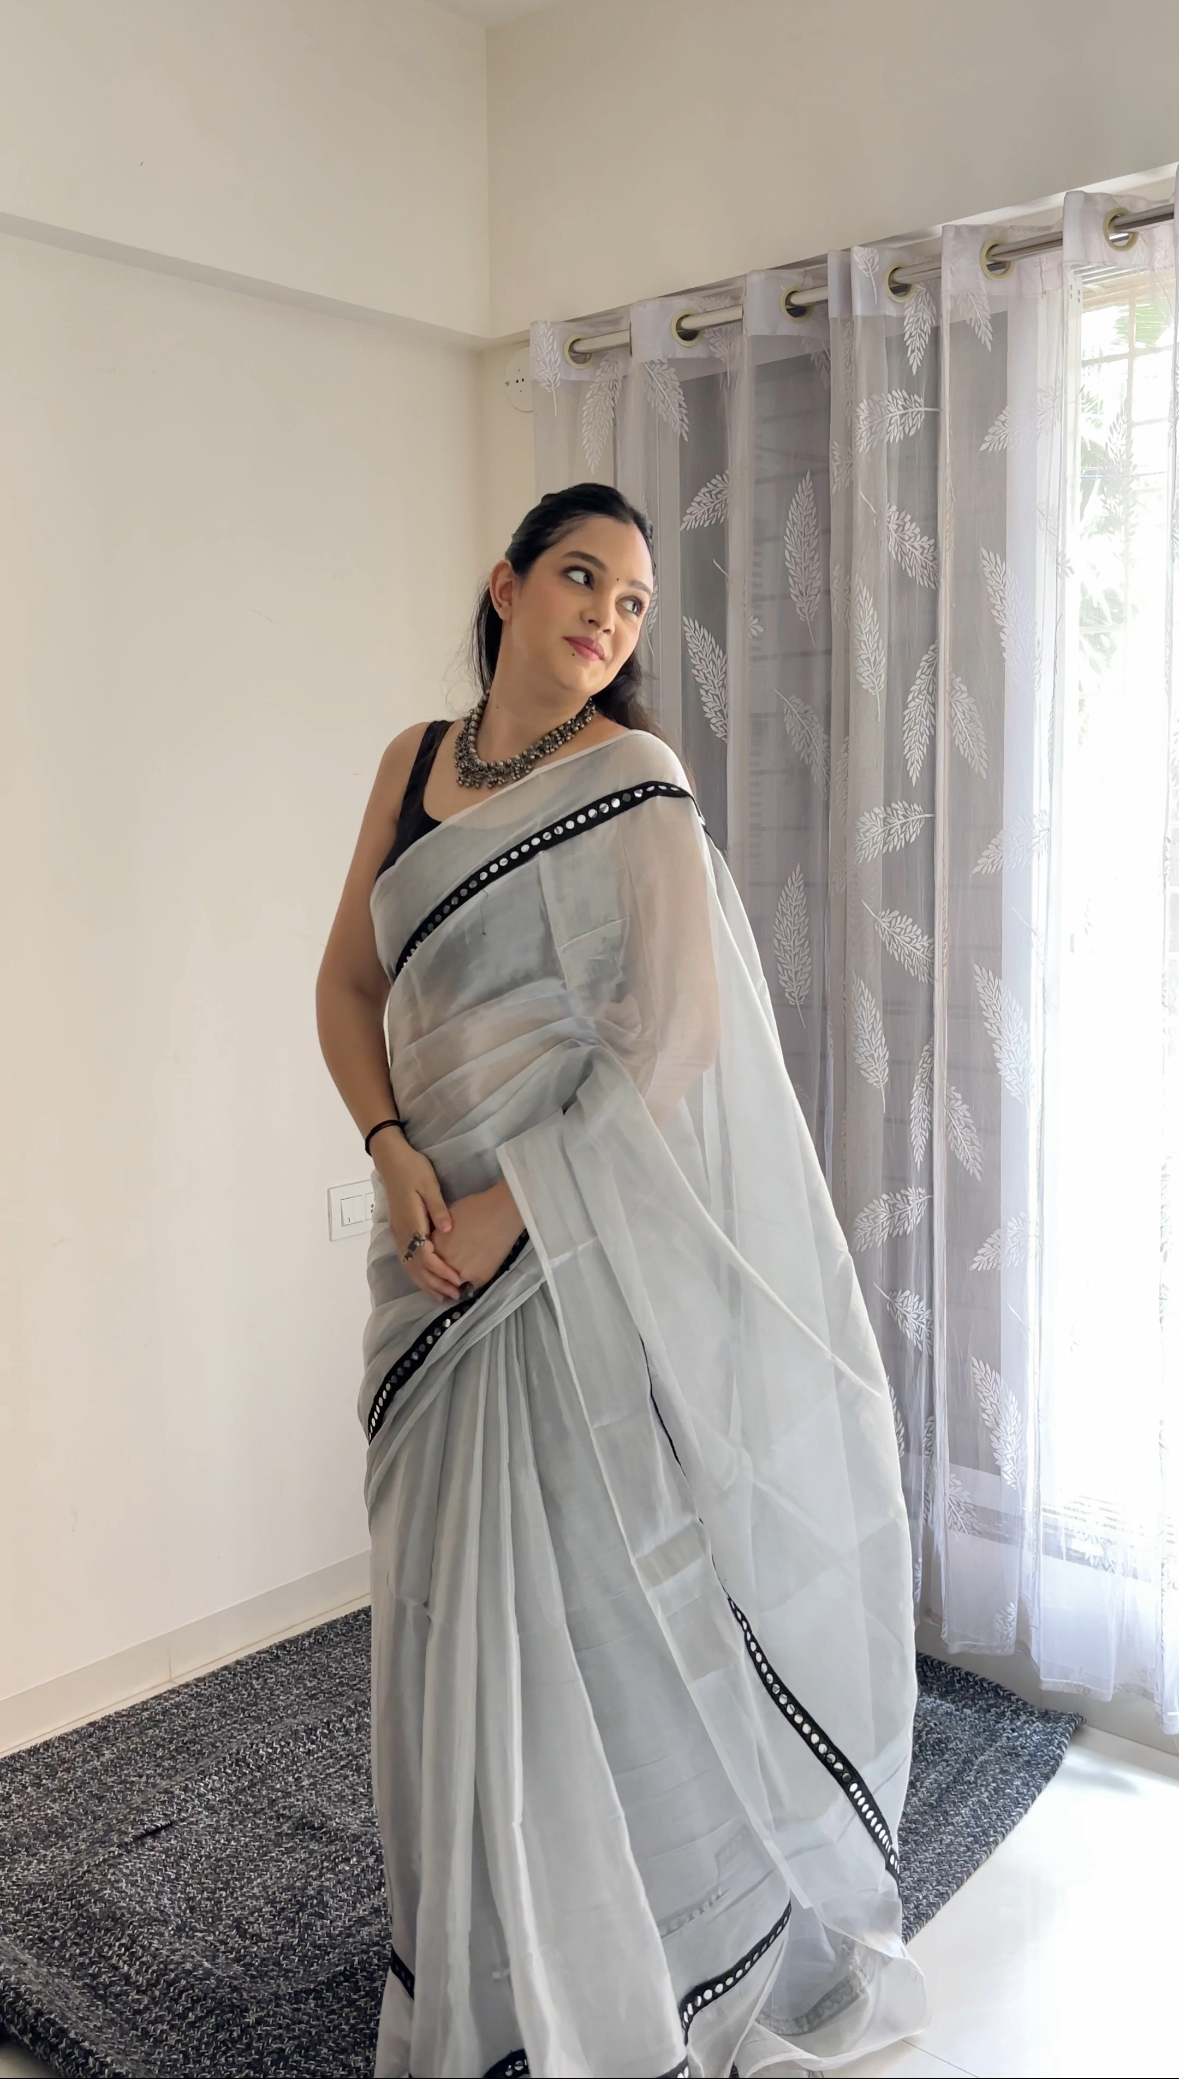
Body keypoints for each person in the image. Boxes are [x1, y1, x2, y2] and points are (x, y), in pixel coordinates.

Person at [315, 484, 926, 2079]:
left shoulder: (637, 781)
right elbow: (349, 982)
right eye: (582, 578)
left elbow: (676, 1041)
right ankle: (479, 1944)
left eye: (635, 602)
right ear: (507, 585)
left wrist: (511, 1208)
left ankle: (651, 1954)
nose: (607, 614)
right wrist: (390, 1148)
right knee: (441, 1610)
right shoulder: (411, 763)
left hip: (562, 1258)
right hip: (424, 1246)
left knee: (597, 1617)